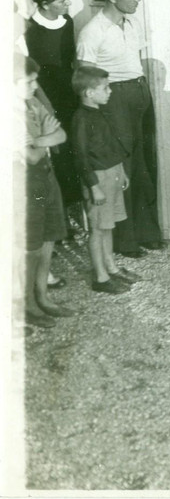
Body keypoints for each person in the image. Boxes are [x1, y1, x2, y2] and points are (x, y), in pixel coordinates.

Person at [76, 0, 165, 257]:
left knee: (143, 162)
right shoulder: (93, 32)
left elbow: (134, 61)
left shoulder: (132, 22)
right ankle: (125, 241)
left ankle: (148, 232)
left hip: (138, 92)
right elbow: (85, 77)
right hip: (115, 100)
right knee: (122, 168)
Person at [15, 55, 79, 328]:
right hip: (24, 182)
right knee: (29, 246)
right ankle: (26, 303)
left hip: (46, 176)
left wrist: (39, 139)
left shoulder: (33, 103)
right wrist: (46, 139)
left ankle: (42, 297)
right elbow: (29, 158)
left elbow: (61, 135)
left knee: (49, 238)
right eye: (28, 81)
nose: (35, 85)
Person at [71, 65, 140, 295]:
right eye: (105, 87)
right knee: (97, 229)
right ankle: (100, 277)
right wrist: (93, 186)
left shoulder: (99, 112)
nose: (110, 91)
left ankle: (111, 267)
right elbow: (80, 156)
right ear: (89, 92)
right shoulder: (81, 118)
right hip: (98, 179)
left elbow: (110, 146)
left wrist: (122, 170)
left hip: (113, 173)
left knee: (108, 225)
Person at [24, 0, 81, 226]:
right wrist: (46, 107)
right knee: (56, 156)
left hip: (68, 92)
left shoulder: (67, 22)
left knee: (73, 150)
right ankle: (60, 220)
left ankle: (74, 209)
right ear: (45, 4)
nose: (68, 3)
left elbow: (69, 60)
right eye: (62, 0)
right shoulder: (30, 30)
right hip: (46, 96)